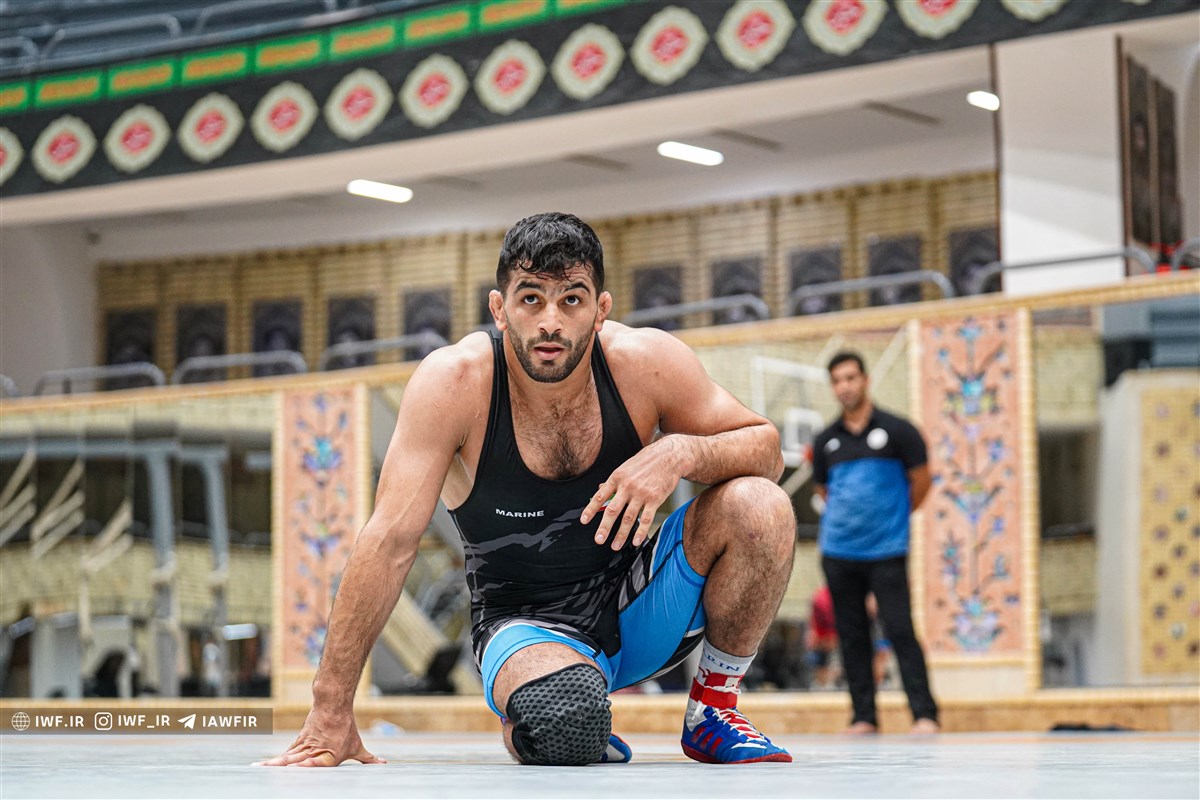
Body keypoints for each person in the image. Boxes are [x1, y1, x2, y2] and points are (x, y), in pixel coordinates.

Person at [258, 212, 796, 767]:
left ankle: (712, 710)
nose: (550, 323)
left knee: (761, 504)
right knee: (567, 725)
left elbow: (768, 450)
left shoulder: (644, 363)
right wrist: (330, 710)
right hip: (524, 624)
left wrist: (680, 452)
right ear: (499, 308)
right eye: (531, 298)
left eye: (571, 300)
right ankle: (556, 712)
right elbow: (389, 543)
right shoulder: (455, 383)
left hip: (642, 603)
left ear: (601, 309)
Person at [812, 351, 939, 735]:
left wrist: (891, 521)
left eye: (851, 378)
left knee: (900, 629)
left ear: (865, 380)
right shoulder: (826, 441)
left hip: (887, 551)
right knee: (852, 637)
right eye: (837, 380)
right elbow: (824, 492)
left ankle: (925, 715)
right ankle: (863, 716)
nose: (845, 386)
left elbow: (922, 483)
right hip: (838, 552)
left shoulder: (900, 432)